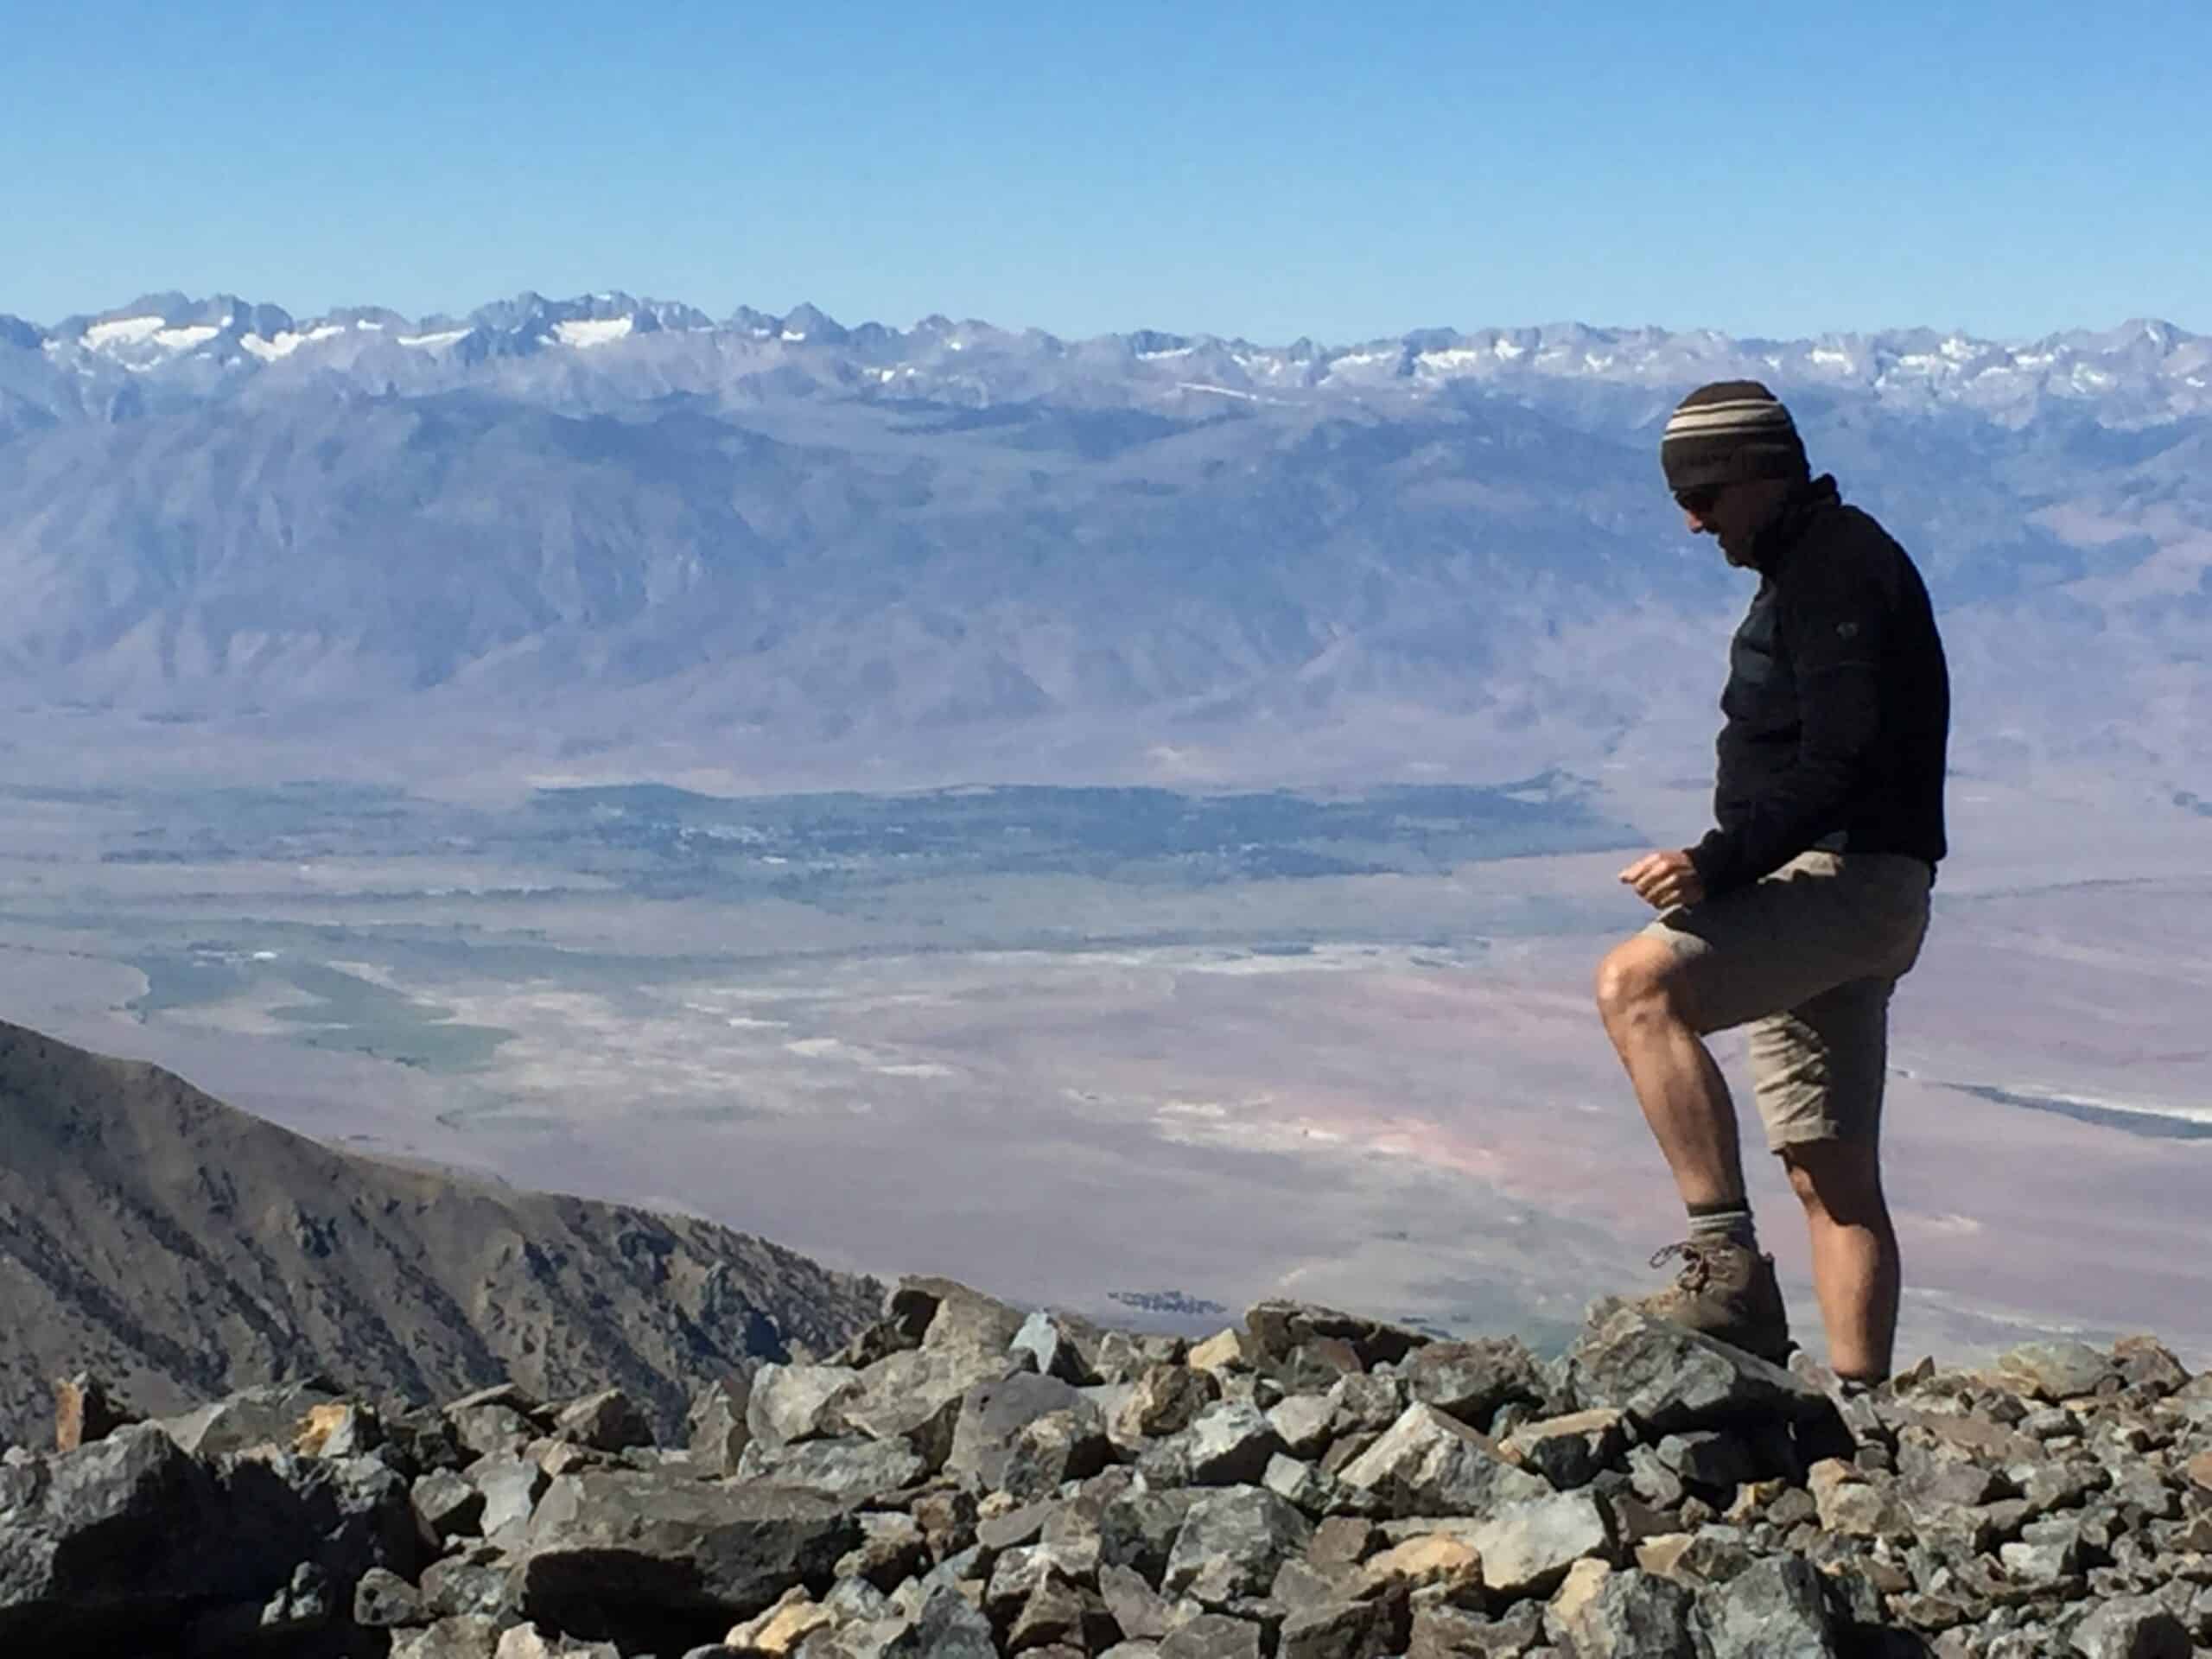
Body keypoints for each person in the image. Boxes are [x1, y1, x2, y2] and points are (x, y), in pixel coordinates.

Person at [1593, 380, 1949, 1385]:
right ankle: (1861, 1417)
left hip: (1839, 884)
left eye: (1705, 492)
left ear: (1763, 472)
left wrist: (1713, 864)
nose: (1692, 519)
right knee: (1831, 1177)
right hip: (1861, 893)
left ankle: (1725, 1267)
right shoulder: (1816, 567)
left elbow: (1841, 760)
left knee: (1636, 987)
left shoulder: (1838, 569)